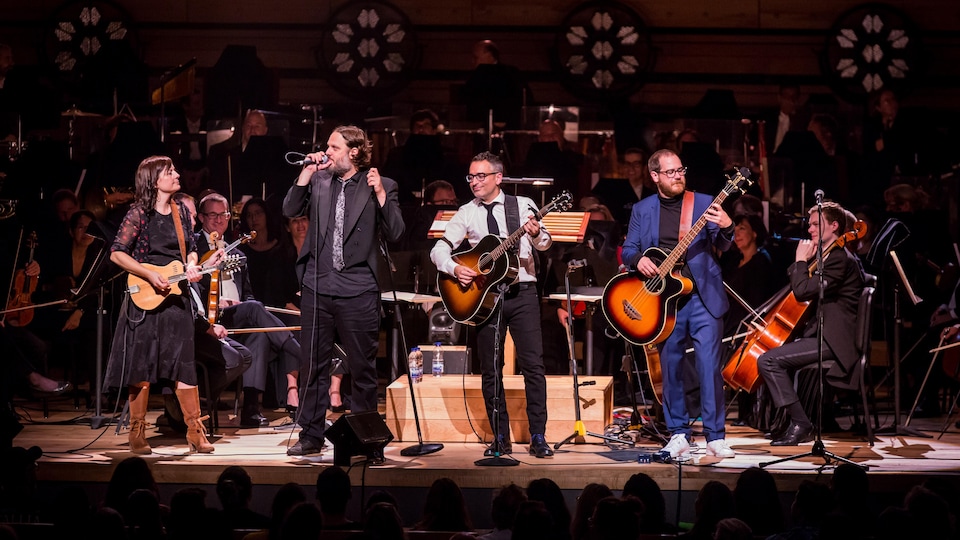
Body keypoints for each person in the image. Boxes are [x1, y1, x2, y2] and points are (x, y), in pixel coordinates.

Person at [282, 125, 405, 456]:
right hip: (318, 286)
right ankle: (310, 434)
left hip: (358, 289)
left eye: (334, 147)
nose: (327, 151)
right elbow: (289, 209)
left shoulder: (381, 184)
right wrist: (306, 171)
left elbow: (395, 231)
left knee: (363, 370)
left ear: (354, 152)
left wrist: (380, 194)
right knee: (313, 365)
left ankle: (365, 439)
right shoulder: (319, 180)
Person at [430, 151, 553, 458]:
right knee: (490, 369)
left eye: (480, 176)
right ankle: (500, 437)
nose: (474, 182)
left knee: (533, 366)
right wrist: (454, 268)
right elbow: (438, 249)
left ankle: (538, 436)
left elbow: (546, 242)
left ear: (498, 177)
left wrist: (537, 235)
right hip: (485, 298)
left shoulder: (523, 205)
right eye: (471, 176)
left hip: (522, 292)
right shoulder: (466, 212)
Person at [621, 148, 736, 459]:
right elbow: (628, 249)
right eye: (670, 172)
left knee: (709, 366)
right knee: (670, 367)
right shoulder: (643, 209)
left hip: (702, 295)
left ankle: (715, 436)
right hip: (665, 301)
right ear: (655, 176)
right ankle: (678, 433)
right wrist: (639, 259)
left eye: (680, 170)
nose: (678, 176)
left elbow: (723, 245)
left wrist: (726, 226)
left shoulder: (702, 202)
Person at [103, 155, 220, 454]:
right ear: (155, 180)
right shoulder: (138, 213)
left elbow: (191, 250)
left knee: (184, 367)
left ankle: (195, 430)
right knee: (140, 368)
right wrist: (148, 273)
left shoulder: (181, 211)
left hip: (175, 298)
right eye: (170, 172)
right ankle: (137, 432)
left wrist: (192, 265)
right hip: (144, 299)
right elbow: (117, 253)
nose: (177, 174)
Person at [757, 201, 865, 446]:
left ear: (835, 225)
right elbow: (796, 281)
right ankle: (787, 421)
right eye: (810, 224)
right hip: (822, 335)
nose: (810, 229)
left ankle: (801, 423)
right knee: (774, 356)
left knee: (768, 360)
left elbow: (802, 291)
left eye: (817, 224)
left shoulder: (839, 259)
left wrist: (801, 261)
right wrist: (805, 261)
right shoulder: (829, 255)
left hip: (835, 342)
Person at [196, 192, 301, 426]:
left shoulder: (238, 253)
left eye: (222, 214)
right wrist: (218, 301)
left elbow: (248, 294)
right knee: (255, 309)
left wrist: (240, 304)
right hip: (209, 318)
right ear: (201, 217)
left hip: (237, 317)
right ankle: (298, 352)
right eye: (212, 215)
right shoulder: (194, 246)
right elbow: (191, 286)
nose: (218, 220)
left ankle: (251, 408)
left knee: (260, 334)